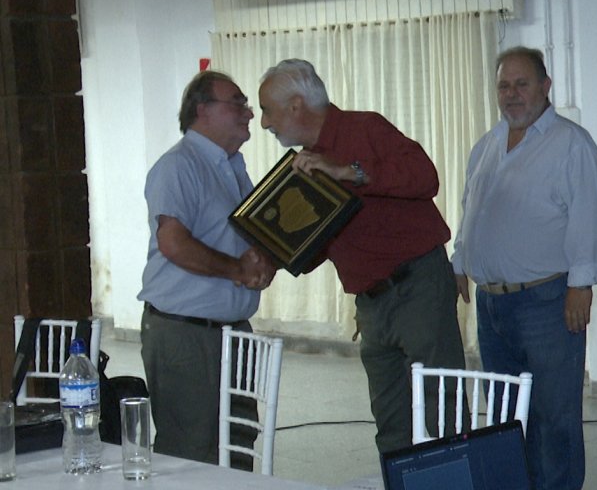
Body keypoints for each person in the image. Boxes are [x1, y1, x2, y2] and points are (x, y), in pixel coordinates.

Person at [257, 59, 466, 453]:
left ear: (296, 105)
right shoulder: (305, 162)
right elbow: (319, 239)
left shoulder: (364, 128)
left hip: (417, 286)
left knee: (443, 409)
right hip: (371, 304)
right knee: (390, 420)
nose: (265, 123)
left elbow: (425, 176)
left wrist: (348, 172)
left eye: (267, 110)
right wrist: (270, 260)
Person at [452, 47, 597, 490]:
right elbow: (471, 210)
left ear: (546, 86)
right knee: (506, 407)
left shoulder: (570, 144)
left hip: (547, 299)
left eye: (522, 84)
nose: (512, 94)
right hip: (493, 301)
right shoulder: (488, 145)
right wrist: (461, 262)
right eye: (504, 85)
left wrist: (580, 286)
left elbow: (588, 217)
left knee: (553, 406)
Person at [138, 70, 276, 467]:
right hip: (186, 333)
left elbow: (249, 237)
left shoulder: (231, 166)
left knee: (237, 446)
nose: (249, 113)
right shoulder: (179, 166)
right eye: (237, 102)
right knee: (190, 454)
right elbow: (173, 243)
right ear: (203, 110)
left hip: (232, 333)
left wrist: (268, 259)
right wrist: (238, 270)